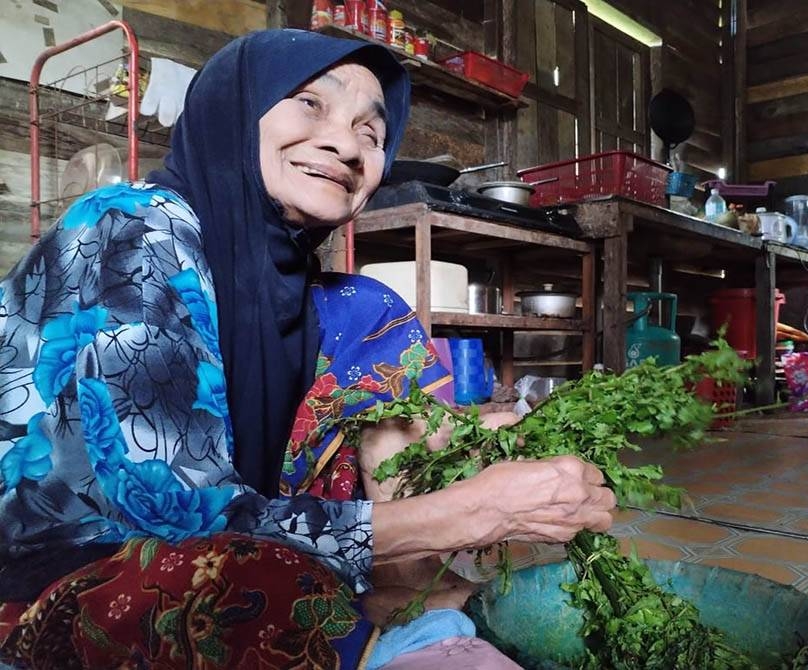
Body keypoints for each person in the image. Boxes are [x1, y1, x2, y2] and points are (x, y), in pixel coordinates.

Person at [0, 30, 615, 669]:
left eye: (372, 134)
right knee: (234, 585)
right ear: (235, 110)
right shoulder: (133, 226)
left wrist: (468, 443)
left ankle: (400, 600)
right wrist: (473, 511)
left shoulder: (308, 297)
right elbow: (177, 516)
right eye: (309, 104)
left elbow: (359, 433)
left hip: (229, 540)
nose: (346, 145)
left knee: (366, 308)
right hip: (61, 568)